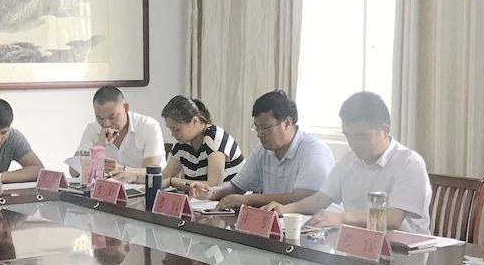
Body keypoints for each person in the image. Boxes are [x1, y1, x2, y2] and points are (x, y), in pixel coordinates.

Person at [267, 92, 431, 234]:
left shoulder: (409, 163)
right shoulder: (349, 160)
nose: (353, 144)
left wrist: (342, 218)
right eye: (348, 136)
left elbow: (394, 218)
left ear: (385, 131)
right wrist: (285, 209)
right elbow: (321, 199)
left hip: (406, 250)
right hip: (358, 243)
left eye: (360, 136)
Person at [191, 90, 334, 209]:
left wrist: (249, 199)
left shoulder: (314, 150)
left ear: (287, 123)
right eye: (257, 127)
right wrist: (211, 192)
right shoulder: (263, 150)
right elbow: (236, 186)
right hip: (276, 223)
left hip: (314, 227)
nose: (259, 134)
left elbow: (304, 197)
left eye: (265, 128)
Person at [73, 86, 165, 184]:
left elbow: (152, 172)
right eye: (100, 118)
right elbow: (73, 172)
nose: (106, 124)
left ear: (125, 108)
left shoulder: (148, 126)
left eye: (112, 117)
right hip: (108, 190)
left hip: (145, 189)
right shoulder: (92, 128)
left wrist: (122, 169)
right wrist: (99, 145)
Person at [159, 96, 243, 193]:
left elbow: (214, 186)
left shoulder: (214, 138)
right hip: (203, 199)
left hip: (230, 198)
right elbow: (166, 176)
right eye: (171, 129)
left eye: (177, 129)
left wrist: (174, 181)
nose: (173, 134)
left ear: (194, 121)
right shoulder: (182, 143)